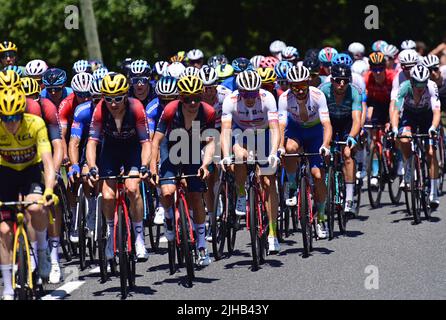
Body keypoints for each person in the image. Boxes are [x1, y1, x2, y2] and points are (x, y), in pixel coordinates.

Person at [149, 75, 215, 266]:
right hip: (170, 148)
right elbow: (156, 141)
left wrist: (205, 164)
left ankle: (202, 245)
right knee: (167, 191)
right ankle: (169, 217)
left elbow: (211, 142)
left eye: (196, 98)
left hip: (193, 148)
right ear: (181, 98)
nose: (193, 102)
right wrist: (154, 168)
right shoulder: (171, 109)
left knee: (196, 195)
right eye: (187, 99)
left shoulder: (208, 112)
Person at [0, 87, 58, 300]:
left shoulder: (35, 124)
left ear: (22, 113)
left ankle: (42, 253)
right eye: (6, 118)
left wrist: (49, 190)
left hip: (30, 172)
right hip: (5, 173)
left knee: (36, 207)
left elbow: (48, 162)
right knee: (4, 230)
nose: (11, 123)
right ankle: (7, 286)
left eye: (15, 117)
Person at [87, 72, 151, 261]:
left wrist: (145, 166)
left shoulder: (136, 107)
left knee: (133, 189)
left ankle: (139, 237)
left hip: (132, 150)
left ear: (125, 95)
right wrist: (92, 167)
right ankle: (110, 231)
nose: (113, 104)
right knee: (107, 195)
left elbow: (146, 142)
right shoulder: (100, 110)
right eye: (108, 99)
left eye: (117, 98)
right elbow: (92, 142)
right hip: (111, 150)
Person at [220, 70, 281, 252]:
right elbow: (225, 131)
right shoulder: (230, 101)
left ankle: (272, 233)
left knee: (268, 181)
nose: (250, 98)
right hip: (241, 133)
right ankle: (241, 194)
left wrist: (274, 152)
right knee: (238, 156)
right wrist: (225, 154)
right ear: (239, 92)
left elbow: (275, 129)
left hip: (264, 134)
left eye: (253, 93)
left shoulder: (268, 98)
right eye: (245, 94)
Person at [278, 65, 332, 239]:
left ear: (308, 83)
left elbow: (327, 125)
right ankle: (293, 185)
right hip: (296, 130)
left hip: (315, 132)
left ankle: (322, 217)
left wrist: (325, 144)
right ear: (290, 86)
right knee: (289, 149)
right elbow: (281, 126)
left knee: (317, 175)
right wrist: (279, 146)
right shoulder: (284, 98)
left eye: (302, 86)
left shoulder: (318, 95)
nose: (299, 90)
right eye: (295, 86)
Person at [22, 77, 65, 283]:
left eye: (33, 98)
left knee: (51, 200)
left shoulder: (46, 107)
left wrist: (54, 173)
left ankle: (54, 258)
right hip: (20, 157)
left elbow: (58, 144)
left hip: (43, 151)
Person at [391, 65, 441, 208]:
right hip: (409, 116)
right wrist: (395, 128)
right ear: (411, 81)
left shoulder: (431, 86)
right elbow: (396, 110)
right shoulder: (404, 87)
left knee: (431, 152)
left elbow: (437, 112)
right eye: (417, 83)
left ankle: (433, 192)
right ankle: (409, 165)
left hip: (427, 117)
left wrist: (433, 128)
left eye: (423, 83)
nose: (420, 87)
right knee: (404, 139)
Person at [319, 64, 362, 216]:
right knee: (323, 153)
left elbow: (357, 120)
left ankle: (349, 199)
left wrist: (352, 136)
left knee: (348, 154)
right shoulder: (322, 90)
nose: (342, 84)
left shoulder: (355, 92)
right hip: (328, 122)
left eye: (345, 80)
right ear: (332, 80)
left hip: (346, 123)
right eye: (338, 80)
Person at [146, 76, 179, 225]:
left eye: (170, 100)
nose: (166, 104)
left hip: (181, 140)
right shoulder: (152, 109)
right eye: (162, 101)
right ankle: (162, 204)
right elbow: (152, 139)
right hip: (162, 140)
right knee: (157, 157)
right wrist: (153, 165)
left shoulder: (184, 105)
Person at [364, 52, 398, 187]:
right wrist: (365, 117)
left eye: (380, 68)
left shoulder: (392, 77)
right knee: (374, 138)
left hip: (391, 105)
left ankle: (397, 159)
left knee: (395, 135)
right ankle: (375, 172)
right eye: (374, 68)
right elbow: (364, 101)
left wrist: (391, 120)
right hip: (376, 105)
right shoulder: (367, 78)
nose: (377, 72)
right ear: (370, 68)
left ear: (385, 67)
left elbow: (395, 102)